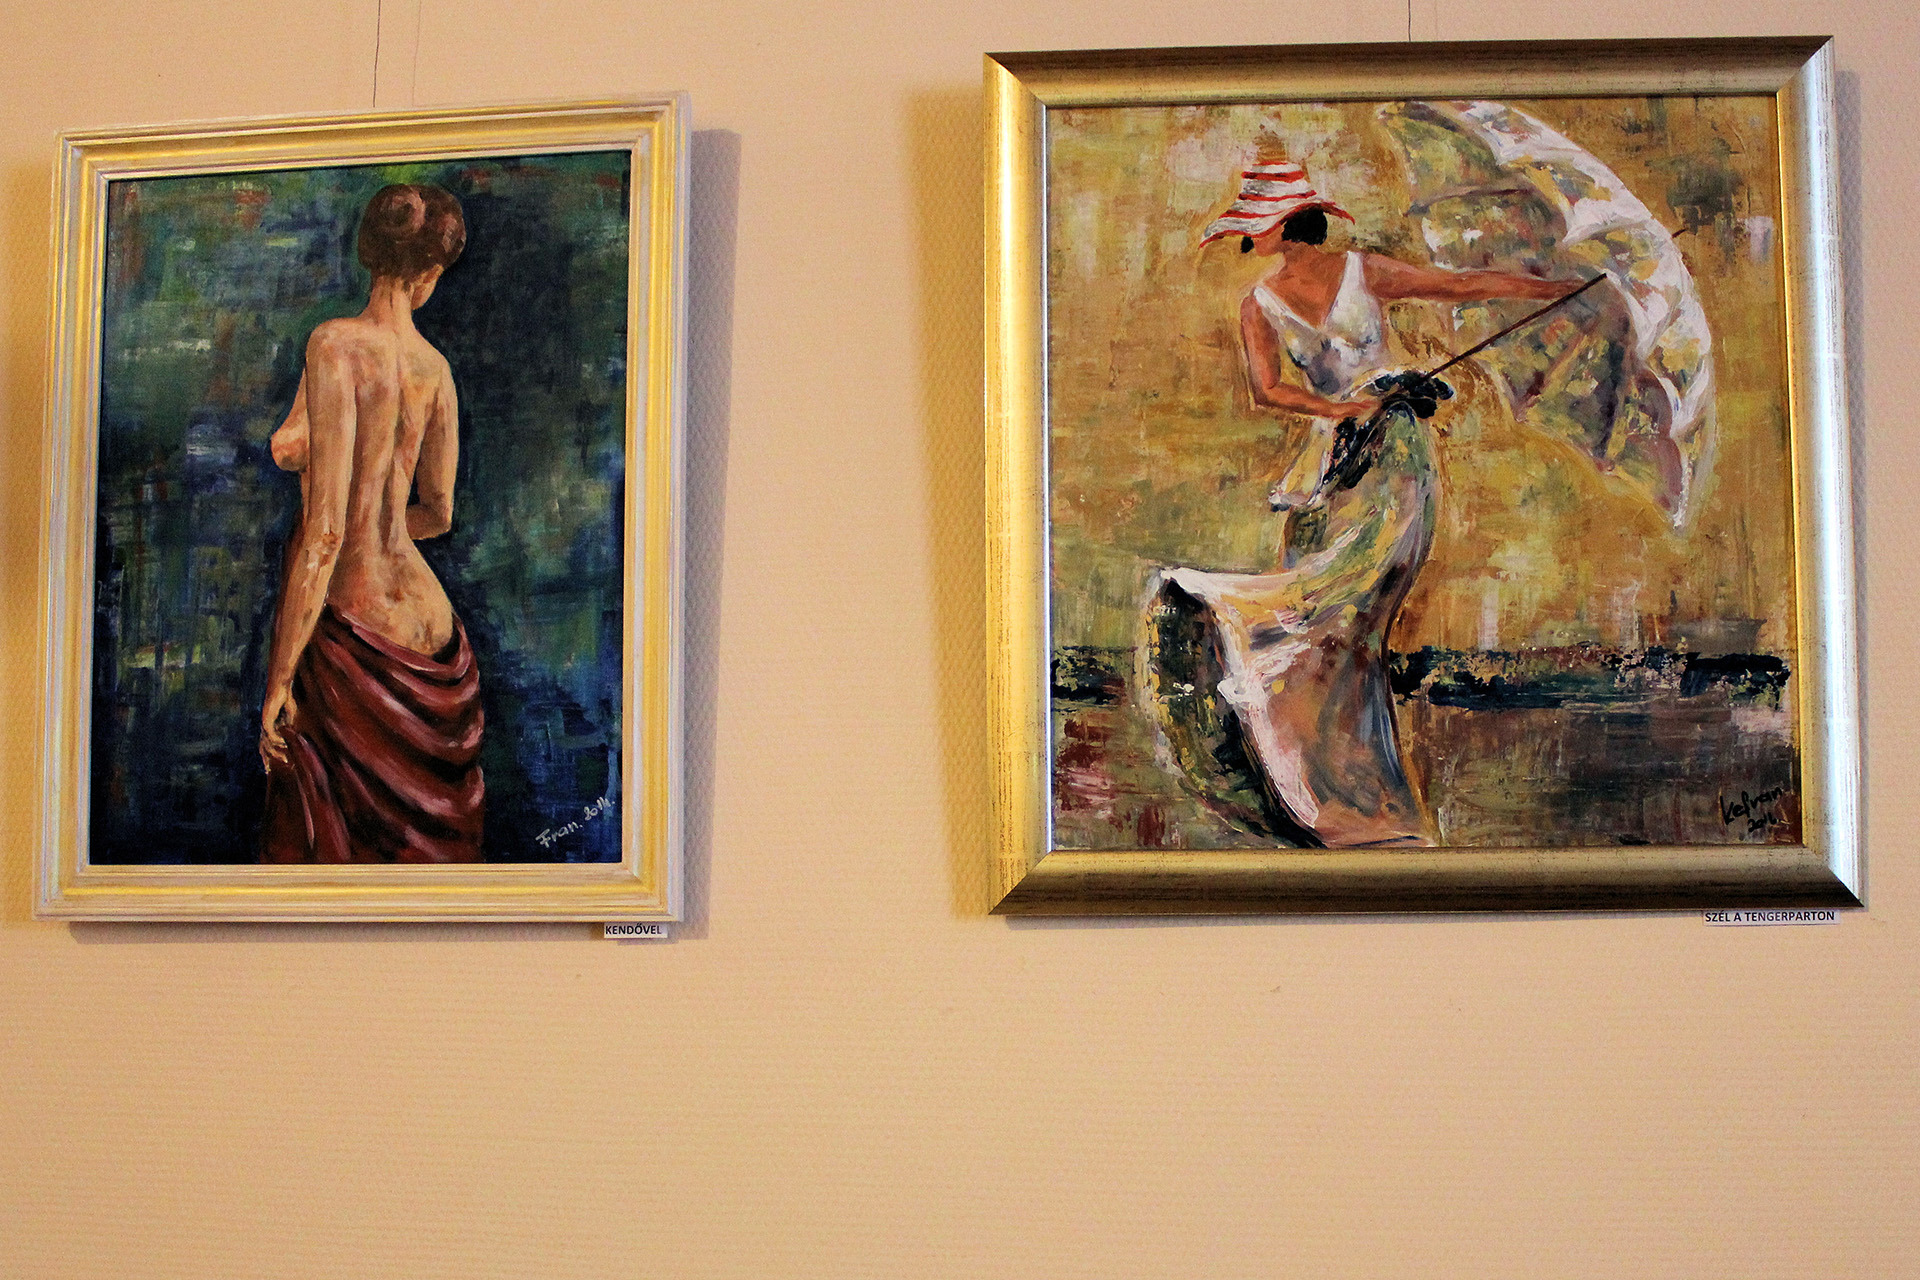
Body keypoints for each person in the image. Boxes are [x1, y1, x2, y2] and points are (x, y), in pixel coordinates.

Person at [1142, 157, 1577, 847]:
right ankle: (1314, 782)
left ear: (1288, 224)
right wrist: (1341, 408)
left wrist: (1551, 290)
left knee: (1362, 619)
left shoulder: (1361, 271)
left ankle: (1364, 796)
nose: (1250, 237)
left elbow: (1458, 286)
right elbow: (1267, 390)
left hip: (1394, 458)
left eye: (1257, 223)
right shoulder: (1258, 303)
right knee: (1324, 614)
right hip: (1332, 464)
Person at [256, 183, 485, 863]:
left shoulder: (333, 345)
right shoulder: (435, 370)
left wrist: (277, 683)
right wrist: (381, 522)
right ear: (430, 273)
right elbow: (438, 514)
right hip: (435, 633)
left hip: (359, 628)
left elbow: (326, 534)